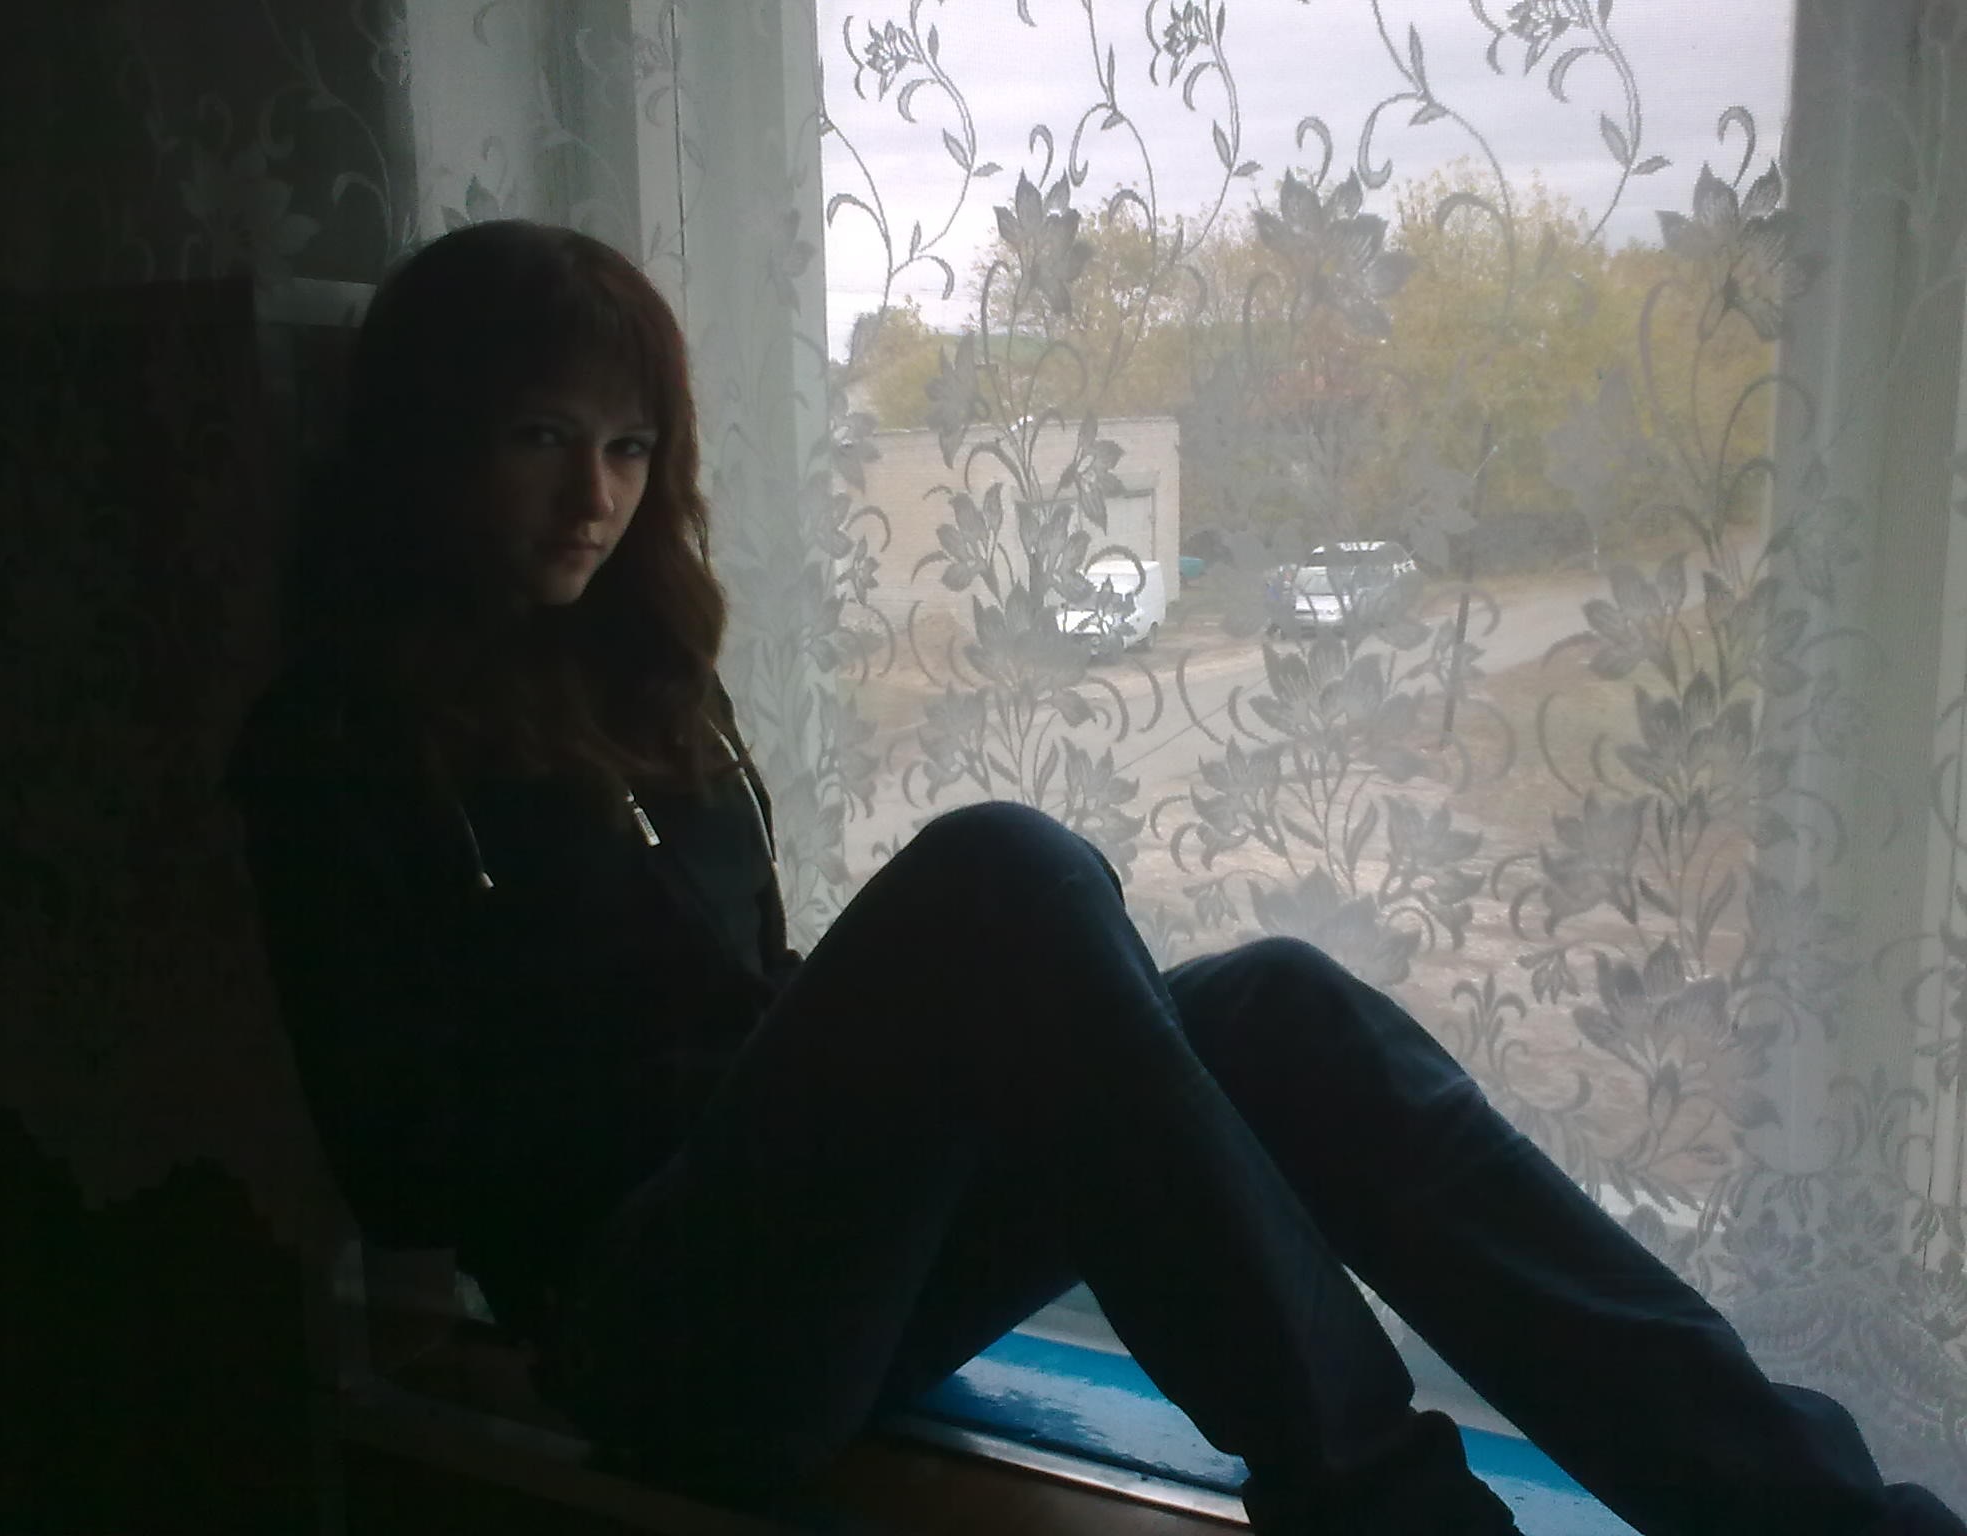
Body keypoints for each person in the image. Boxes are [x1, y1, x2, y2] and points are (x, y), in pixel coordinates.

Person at [229, 219, 1964, 1536]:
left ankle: (1813, 1517)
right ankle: (1386, 1515)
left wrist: (828, 1061)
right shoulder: (333, 744)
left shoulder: (646, 685)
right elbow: (396, 1161)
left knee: (1278, 1009)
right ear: (431, 441)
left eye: (625, 448)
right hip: (653, 1339)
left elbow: (746, 998)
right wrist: (751, 1084)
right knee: (998, 870)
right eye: (542, 437)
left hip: (813, 1277)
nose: (594, 498)